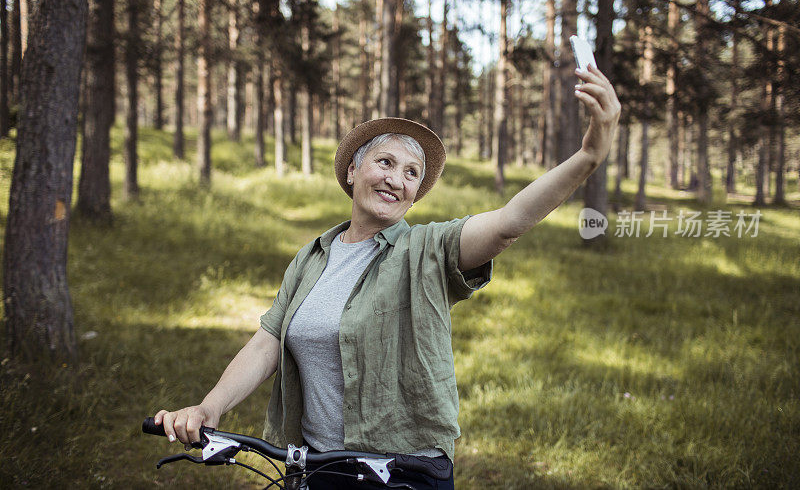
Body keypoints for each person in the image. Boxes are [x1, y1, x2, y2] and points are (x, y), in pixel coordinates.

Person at [153, 64, 620, 489]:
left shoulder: (428, 251)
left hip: (405, 473)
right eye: (386, 162)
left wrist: (587, 158)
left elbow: (508, 222)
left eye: (412, 173)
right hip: (317, 468)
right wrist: (209, 408)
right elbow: (265, 344)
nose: (398, 179)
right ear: (353, 170)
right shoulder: (311, 257)